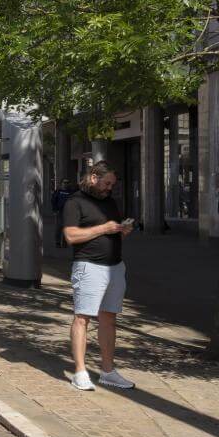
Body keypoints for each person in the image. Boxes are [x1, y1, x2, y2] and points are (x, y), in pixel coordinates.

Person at [62, 160, 134, 391]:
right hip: (89, 267)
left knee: (109, 319)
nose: (109, 188)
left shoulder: (110, 203)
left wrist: (122, 232)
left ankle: (107, 371)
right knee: (83, 318)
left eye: (112, 185)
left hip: (114, 267)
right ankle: (80, 372)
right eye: (106, 183)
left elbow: (110, 236)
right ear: (93, 177)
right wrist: (104, 228)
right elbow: (71, 236)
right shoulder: (75, 202)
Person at [51, 179, 75, 248]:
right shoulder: (58, 191)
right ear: (62, 184)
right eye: (64, 183)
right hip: (60, 212)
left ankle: (64, 243)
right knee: (58, 228)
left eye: (67, 182)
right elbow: (53, 201)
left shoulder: (71, 192)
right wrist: (55, 210)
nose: (66, 184)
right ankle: (58, 243)